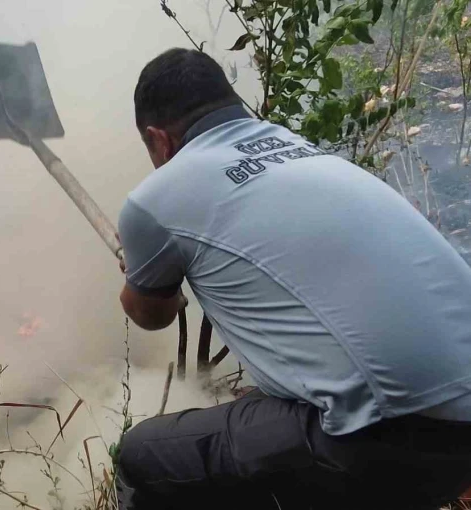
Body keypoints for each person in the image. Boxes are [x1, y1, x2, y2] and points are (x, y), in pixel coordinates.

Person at [115, 48, 471, 510]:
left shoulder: (155, 200)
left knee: (142, 456)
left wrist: (139, 274)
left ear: (157, 138)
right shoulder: (301, 151)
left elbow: (151, 315)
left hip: (390, 442)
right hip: (459, 427)